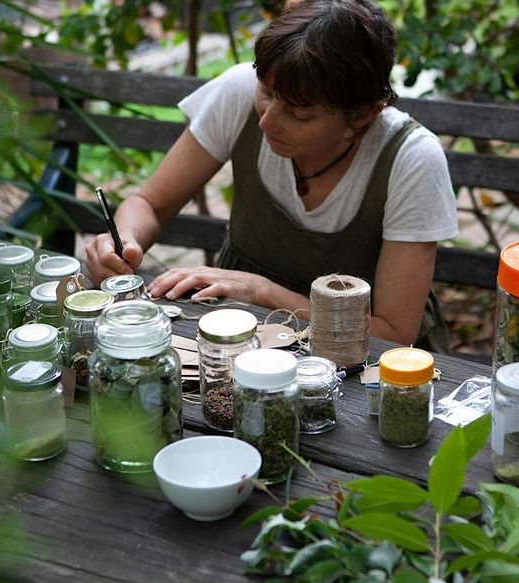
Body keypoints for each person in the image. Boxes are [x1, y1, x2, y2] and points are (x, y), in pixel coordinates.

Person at [84, 0, 457, 351]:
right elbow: (149, 203)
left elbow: (392, 333)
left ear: (362, 116)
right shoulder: (240, 92)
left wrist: (261, 290)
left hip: (360, 362)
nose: (266, 121)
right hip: (234, 332)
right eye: (265, 91)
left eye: (300, 114)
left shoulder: (410, 159)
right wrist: (124, 240)